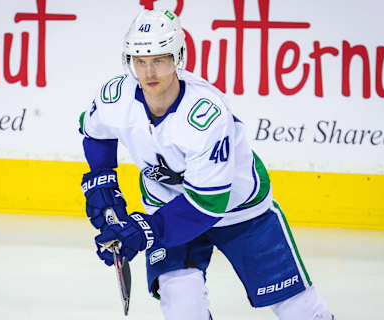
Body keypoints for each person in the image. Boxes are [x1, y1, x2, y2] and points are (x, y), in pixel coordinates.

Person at [79, 9, 334, 320]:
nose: (149, 72)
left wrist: (145, 230)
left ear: (177, 58)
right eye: (140, 61)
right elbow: (96, 133)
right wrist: (102, 184)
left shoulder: (205, 116)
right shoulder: (115, 96)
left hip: (240, 209)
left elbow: (207, 204)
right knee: (181, 307)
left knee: (299, 310)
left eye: (159, 59)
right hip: (167, 205)